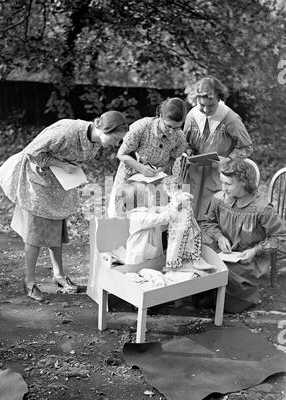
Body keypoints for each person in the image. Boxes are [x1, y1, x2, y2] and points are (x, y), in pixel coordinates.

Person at [0, 111, 128, 302]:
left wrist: (68, 170)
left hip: (59, 184)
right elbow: (32, 152)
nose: (116, 144)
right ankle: (29, 283)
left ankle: (59, 277)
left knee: (56, 230)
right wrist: (61, 164)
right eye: (116, 139)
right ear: (103, 128)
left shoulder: (95, 141)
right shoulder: (67, 132)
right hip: (37, 181)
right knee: (34, 235)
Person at [201, 158, 285, 313]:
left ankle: (233, 300)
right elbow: (207, 222)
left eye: (228, 183)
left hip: (250, 259)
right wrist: (219, 237)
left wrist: (255, 251)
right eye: (222, 182)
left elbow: (277, 238)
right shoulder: (219, 199)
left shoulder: (262, 208)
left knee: (225, 271)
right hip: (225, 252)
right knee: (203, 262)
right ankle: (213, 296)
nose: (223, 187)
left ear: (244, 182)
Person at [183, 76, 253, 222]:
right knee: (189, 216)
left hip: (219, 176)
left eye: (211, 106)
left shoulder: (230, 118)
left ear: (219, 99)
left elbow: (246, 147)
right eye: (201, 105)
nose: (206, 109)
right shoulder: (192, 115)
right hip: (194, 175)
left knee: (214, 218)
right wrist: (189, 151)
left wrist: (228, 160)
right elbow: (185, 142)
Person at [108, 97, 188, 217]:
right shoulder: (142, 127)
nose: (171, 131)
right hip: (131, 175)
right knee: (125, 213)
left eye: (176, 127)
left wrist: (162, 169)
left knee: (152, 215)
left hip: (156, 179)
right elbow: (122, 154)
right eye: (168, 126)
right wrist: (141, 168)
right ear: (160, 115)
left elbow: (173, 157)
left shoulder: (179, 137)